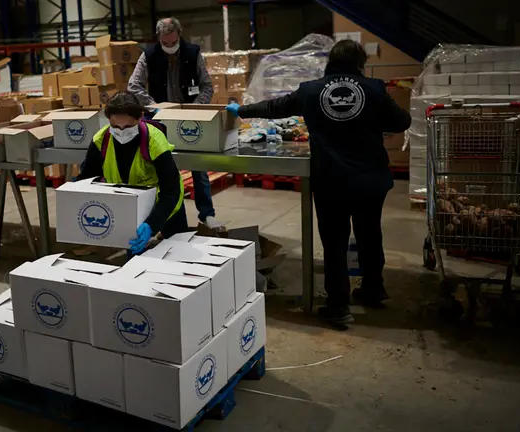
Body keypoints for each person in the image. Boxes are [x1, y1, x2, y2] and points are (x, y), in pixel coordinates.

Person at [226, 40, 411, 325]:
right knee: (369, 235)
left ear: (330, 62)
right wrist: (369, 122)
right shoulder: (374, 89)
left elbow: (276, 107)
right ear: (359, 63)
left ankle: (339, 307)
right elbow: (402, 122)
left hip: (331, 179)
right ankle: (374, 289)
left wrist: (241, 110)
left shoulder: (311, 91)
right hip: (370, 178)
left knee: (335, 242)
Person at [127, 17, 222, 230]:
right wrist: (152, 106)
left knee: (199, 167)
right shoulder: (149, 55)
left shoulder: (193, 52)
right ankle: (163, 219)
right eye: (165, 43)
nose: (169, 47)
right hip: (160, 119)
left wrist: (196, 108)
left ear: (179, 35)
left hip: (190, 118)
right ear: (159, 39)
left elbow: (207, 86)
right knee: (162, 170)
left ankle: (206, 214)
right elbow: (133, 85)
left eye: (172, 42)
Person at [79, 91, 188, 254]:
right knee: (136, 262)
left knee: (178, 253)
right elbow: (86, 181)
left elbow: (171, 191)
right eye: (115, 127)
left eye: (128, 127)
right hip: (130, 206)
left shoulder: (154, 142)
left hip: (164, 203)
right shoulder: (101, 141)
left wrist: (153, 224)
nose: (121, 132)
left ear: (140, 117)